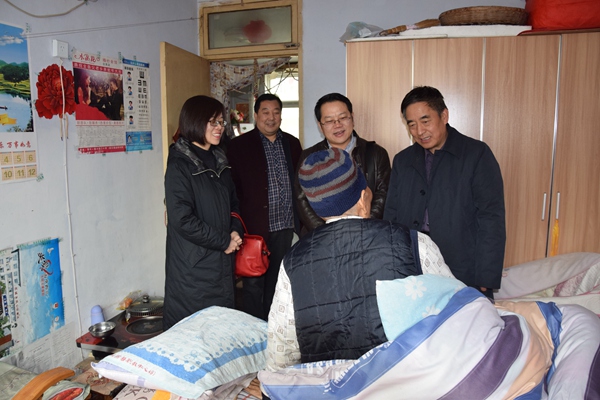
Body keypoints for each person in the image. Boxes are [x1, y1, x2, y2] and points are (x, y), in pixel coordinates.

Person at [266, 147, 455, 370]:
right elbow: (457, 312)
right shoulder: (414, 243)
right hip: (403, 379)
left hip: (327, 384)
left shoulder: (293, 262)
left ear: (317, 209)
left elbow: (281, 353)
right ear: (363, 199)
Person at [384, 86, 506, 298]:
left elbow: (491, 218)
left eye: (425, 121)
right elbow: (391, 215)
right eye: (412, 124)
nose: (419, 131)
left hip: (462, 267)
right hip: (412, 268)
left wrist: (486, 276)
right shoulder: (403, 161)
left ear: (444, 115)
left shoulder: (476, 154)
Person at [163, 95, 244, 330]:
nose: (219, 128)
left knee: (221, 326)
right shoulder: (180, 165)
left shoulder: (220, 159)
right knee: (196, 330)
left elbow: (234, 203)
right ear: (195, 122)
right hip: (194, 266)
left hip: (222, 259)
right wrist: (223, 241)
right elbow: (181, 219)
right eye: (213, 122)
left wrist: (235, 231)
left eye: (221, 122)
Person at [227, 93, 303, 321]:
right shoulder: (239, 146)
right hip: (254, 229)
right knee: (253, 284)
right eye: (266, 112)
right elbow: (233, 189)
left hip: (285, 226)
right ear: (256, 114)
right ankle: (254, 328)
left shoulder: (292, 144)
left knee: (278, 282)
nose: (271, 117)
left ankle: (273, 326)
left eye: (276, 112)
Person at [296, 93, 391, 234]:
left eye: (343, 117)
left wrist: (362, 228)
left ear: (352, 117)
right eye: (329, 121)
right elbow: (301, 199)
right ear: (320, 126)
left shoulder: (376, 153)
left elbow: (383, 194)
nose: (337, 125)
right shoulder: (309, 157)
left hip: (369, 233)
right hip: (322, 237)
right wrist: (327, 233)